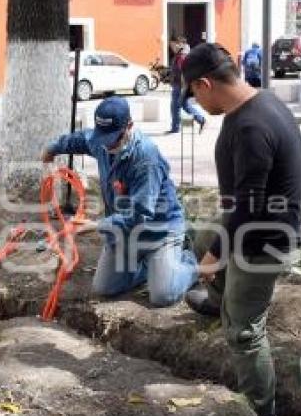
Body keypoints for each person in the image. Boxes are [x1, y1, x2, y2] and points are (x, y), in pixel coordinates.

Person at [180, 43, 301, 416]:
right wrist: (213, 246)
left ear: (204, 83)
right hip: (251, 220)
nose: (194, 100)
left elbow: (249, 209)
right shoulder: (256, 102)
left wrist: (217, 256)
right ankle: (220, 301)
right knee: (200, 236)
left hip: (264, 240)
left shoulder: (252, 127)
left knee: (244, 332)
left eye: (192, 93)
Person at [41, 96, 198, 307]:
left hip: (160, 231)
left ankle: (189, 262)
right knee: (105, 288)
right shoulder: (100, 141)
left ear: (129, 127)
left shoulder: (146, 159)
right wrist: (52, 149)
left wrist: (97, 225)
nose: (106, 145)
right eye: (102, 138)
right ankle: (152, 269)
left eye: (112, 138)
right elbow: (79, 140)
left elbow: (139, 214)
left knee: (163, 296)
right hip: (124, 232)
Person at [169, 43, 207, 134]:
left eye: (176, 46)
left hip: (180, 85)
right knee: (178, 106)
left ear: (180, 47)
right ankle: (176, 127)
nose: (173, 47)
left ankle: (200, 119)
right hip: (178, 85)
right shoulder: (180, 56)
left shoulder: (181, 57)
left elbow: (183, 73)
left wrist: (183, 86)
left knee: (179, 106)